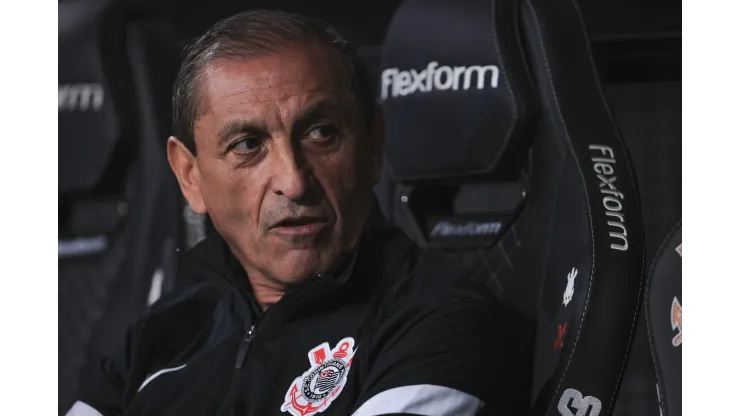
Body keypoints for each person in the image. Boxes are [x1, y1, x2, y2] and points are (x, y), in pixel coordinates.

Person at [67, 10, 531, 416]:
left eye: (320, 133)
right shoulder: (155, 339)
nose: (294, 180)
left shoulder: (441, 324)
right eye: (247, 145)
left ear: (372, 147)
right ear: (190, 176)